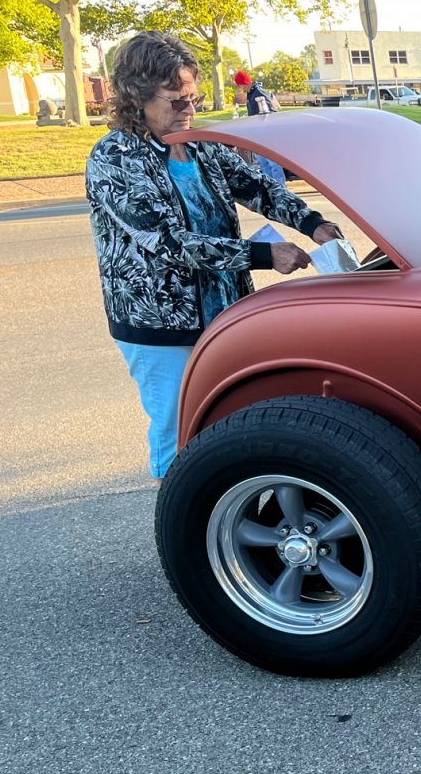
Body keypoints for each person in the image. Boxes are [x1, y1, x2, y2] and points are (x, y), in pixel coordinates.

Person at [87, 31, 343, 478]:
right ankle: (183, 526)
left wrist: (311, 222)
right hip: (160, 325)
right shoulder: (115, 157)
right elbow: (167, 242)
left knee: (230, 425)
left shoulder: (200, 141)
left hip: (223, 311)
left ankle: (226, 507)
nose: (190, 110)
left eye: (194, 98)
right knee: (180, 431)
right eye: (176, 101)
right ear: (138, 98)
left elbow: (256, 186)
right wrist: (265, 255)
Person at [234, 69, 286, 183]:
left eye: (240, 85)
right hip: (259, 133)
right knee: (264, 164)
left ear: (245, 83)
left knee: (273, 163)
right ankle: (270, 186)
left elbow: (271, 113)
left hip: (267, 134)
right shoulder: (251, 94)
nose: (240, 89)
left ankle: (280, 187)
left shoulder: (259, 93)